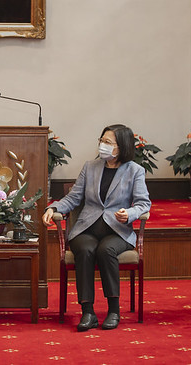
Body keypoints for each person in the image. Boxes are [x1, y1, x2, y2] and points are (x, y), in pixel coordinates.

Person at [42, 124, 151, 332]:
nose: (102, 145)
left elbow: (143, 203)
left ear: (122, 147)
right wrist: (53, 207)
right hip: (87, 228)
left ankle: (113, 310)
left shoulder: (135, 171)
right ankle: (88, 312)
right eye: (102, 141)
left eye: (108, 142)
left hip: (117, 231)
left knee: (106, 250)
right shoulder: (90, 167)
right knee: (85, 250)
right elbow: (74, 198)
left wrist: (130, 213)